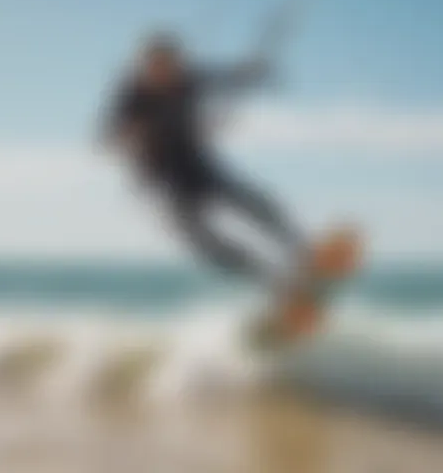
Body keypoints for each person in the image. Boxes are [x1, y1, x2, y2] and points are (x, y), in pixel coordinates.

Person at [96, 32, 312, 294]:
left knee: (256, 204)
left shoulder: (190, 79)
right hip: (160, 182)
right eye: (156, 68)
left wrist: (257, 71)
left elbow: (231, 77)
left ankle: (305, 254)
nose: (165, 75)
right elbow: (105, 141)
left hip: (196, 166)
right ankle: (273, 282)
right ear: (143, 67)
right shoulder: (130, 95)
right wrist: (133, 135)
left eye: (171, 66)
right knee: (205, 243)